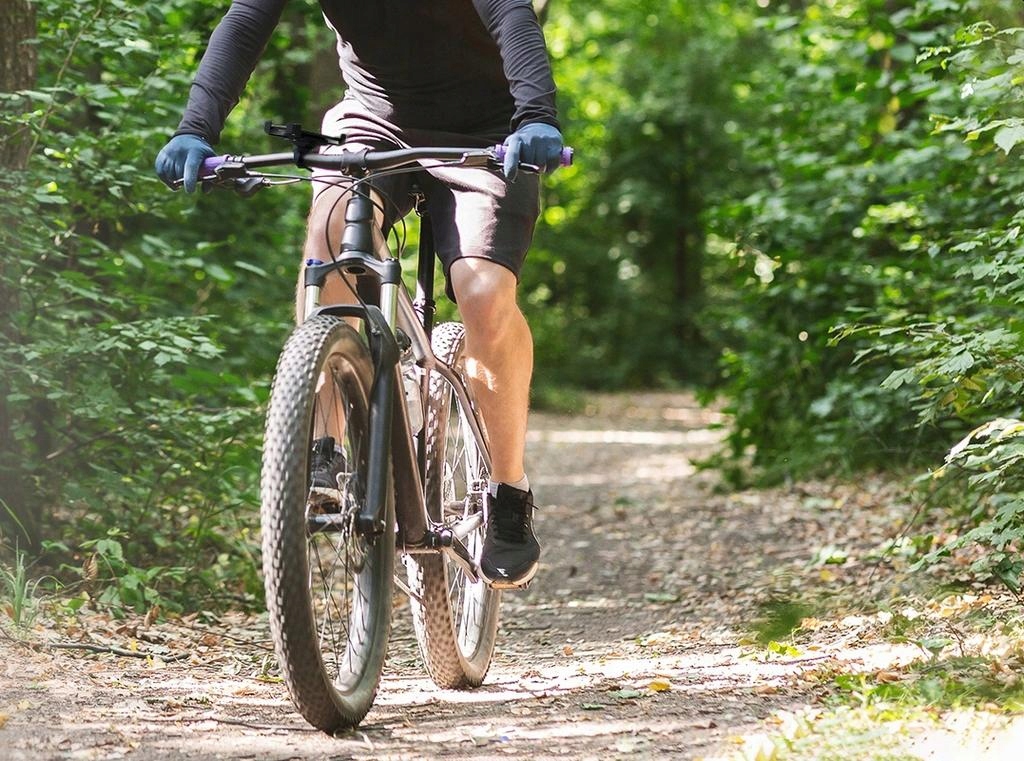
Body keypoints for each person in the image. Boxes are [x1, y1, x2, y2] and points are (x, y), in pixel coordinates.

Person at [154, 1, 564, 588]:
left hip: (489, 132)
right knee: (327, 248)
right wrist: (196, 128)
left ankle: (507, 491)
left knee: (482, 292)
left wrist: (536, 116)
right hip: (372, 121)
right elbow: (246, 22)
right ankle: (324, 448)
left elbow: (511, 16)